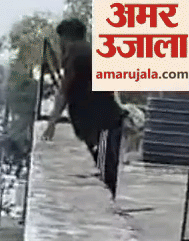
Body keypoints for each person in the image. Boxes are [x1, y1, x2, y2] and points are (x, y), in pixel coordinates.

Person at [43, 17, 127, 197]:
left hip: (104, 123)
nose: (60, 45)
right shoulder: (88, 51)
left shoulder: (76, 52)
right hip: (102, 121)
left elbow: (65, 90)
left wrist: (52, 123)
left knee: (104, 172)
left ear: (67, 38)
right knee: (104, 170)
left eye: (61, 40)